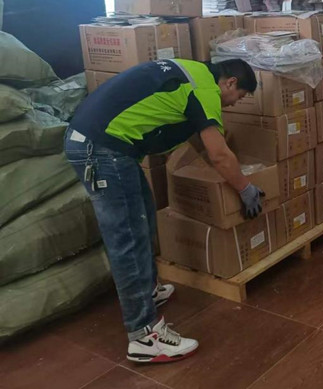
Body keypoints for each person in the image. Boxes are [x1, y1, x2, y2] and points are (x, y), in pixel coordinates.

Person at [65, 58, 261, 363]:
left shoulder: (193, 72)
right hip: (102, 149)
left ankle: (147, 291)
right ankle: (144, 336)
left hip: (107, 146)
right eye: (240, 96)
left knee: (142, 217)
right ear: (230, 82)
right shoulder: (205, 89)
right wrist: (245, 189)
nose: (235, 103)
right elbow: (220, 155)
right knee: (128, 240)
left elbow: (192, 135)